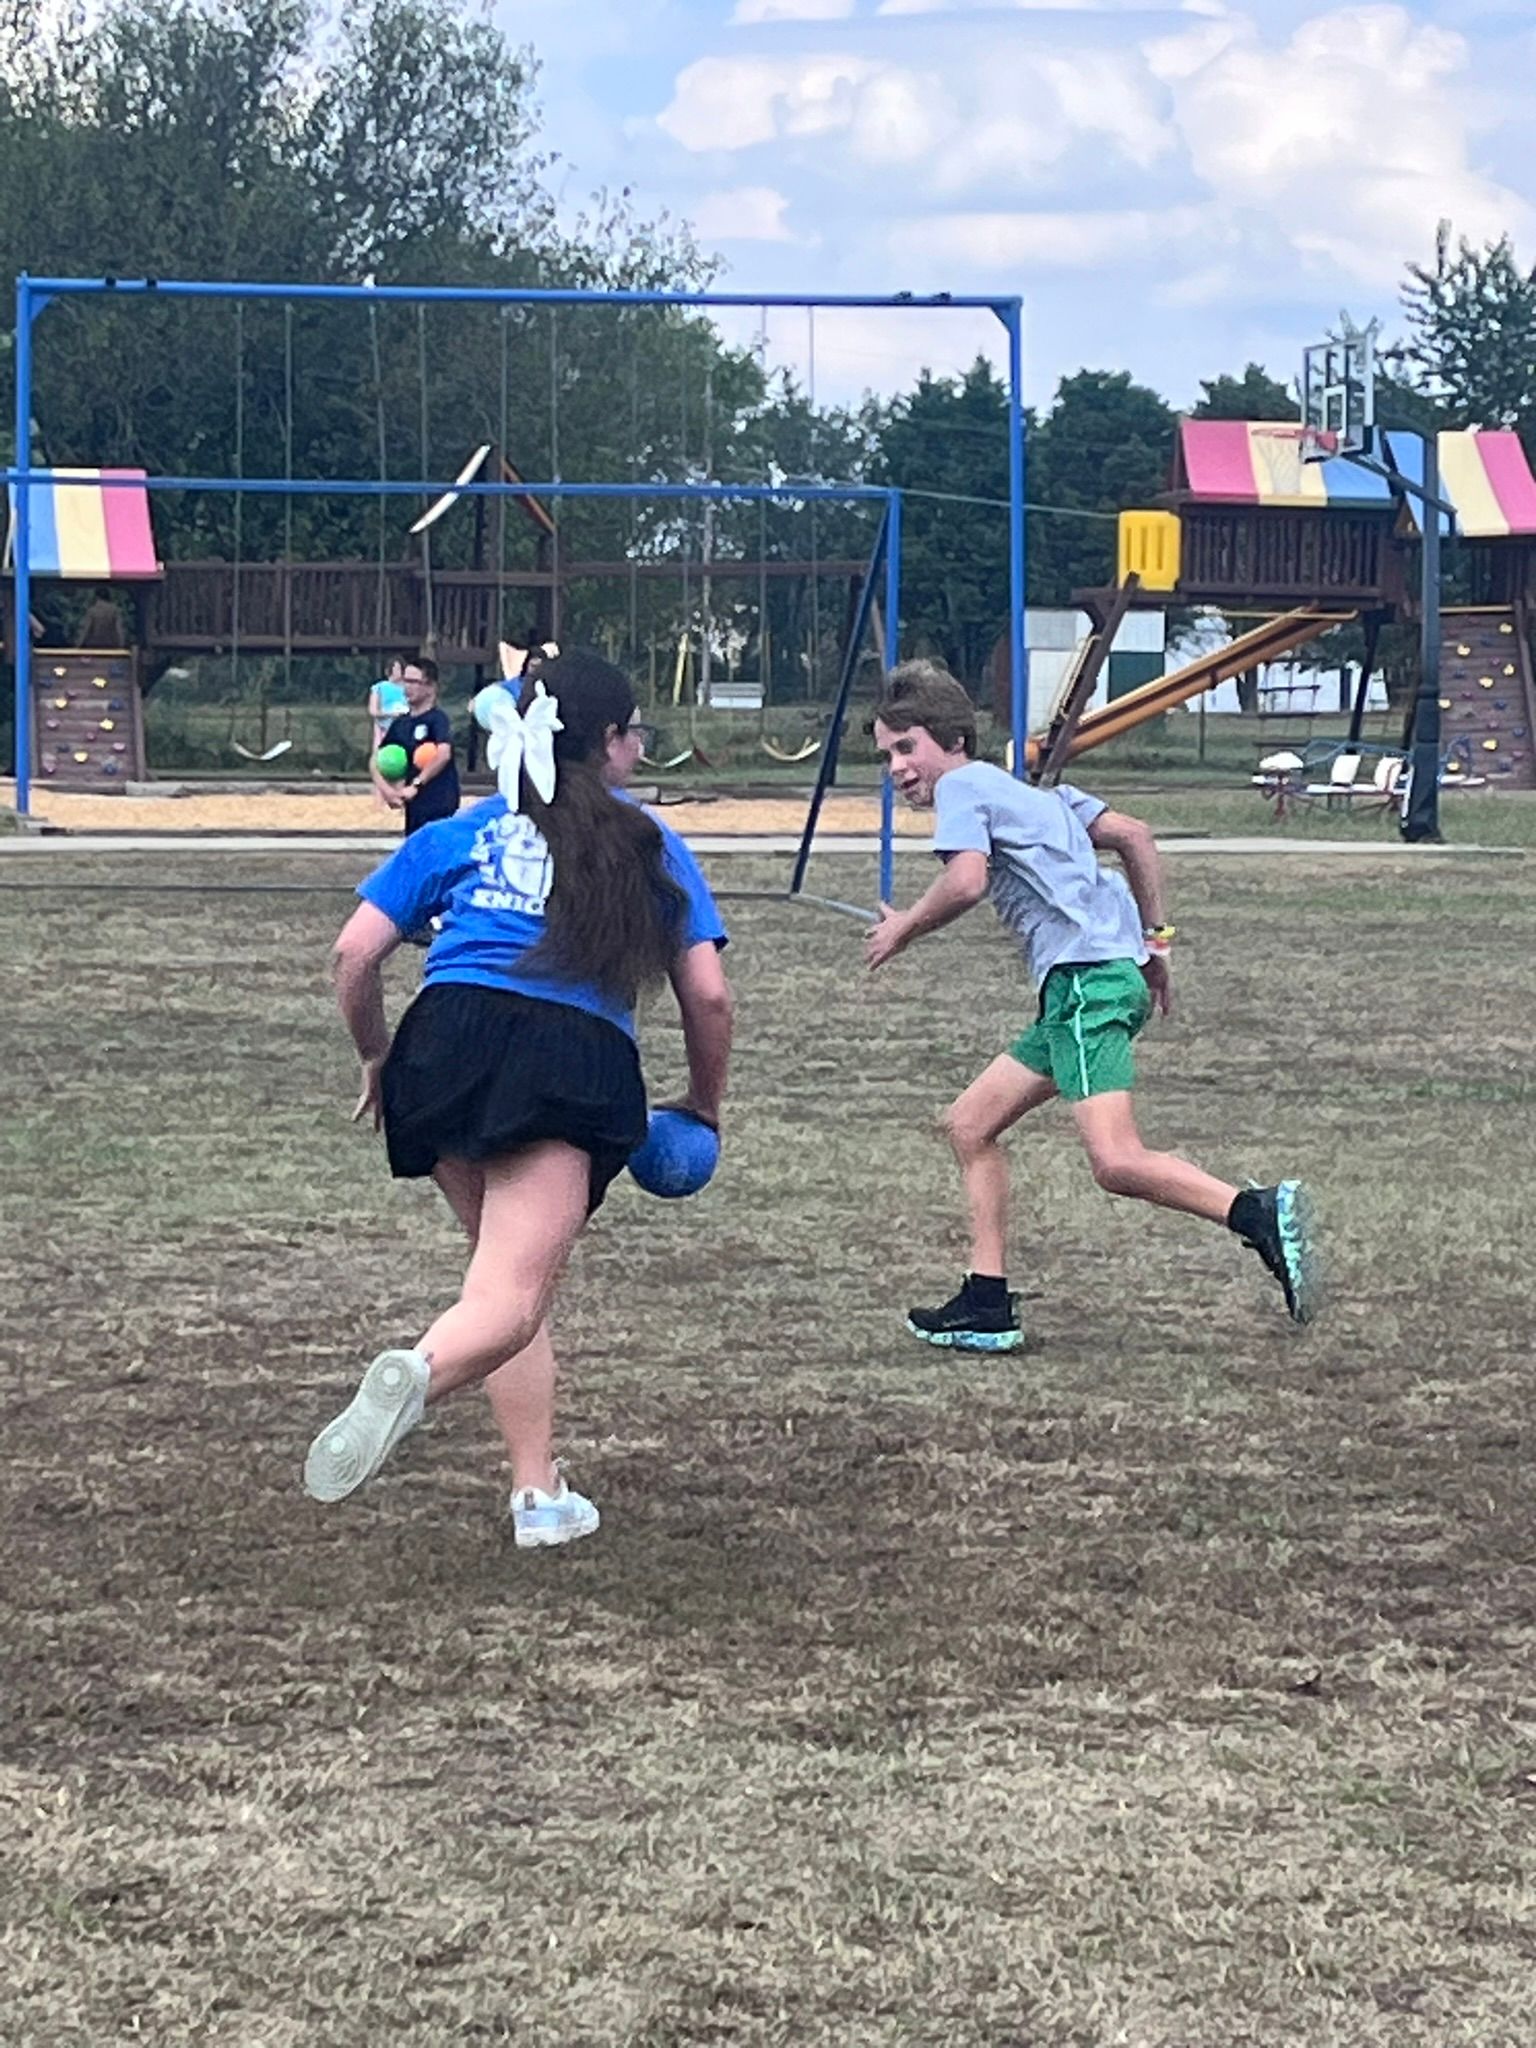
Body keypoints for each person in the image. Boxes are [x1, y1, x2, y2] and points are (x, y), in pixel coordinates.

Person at [306, 648, 734, 1543]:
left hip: (442, 1042)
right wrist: (703, 1101)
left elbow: (353, 955)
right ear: (611, 743)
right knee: (506, 1297)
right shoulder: (647, 839)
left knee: (501, 1284)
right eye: (635, 734)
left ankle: (537, 1495)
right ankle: (414, 1377)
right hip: (562, 1057)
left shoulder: (461, 831)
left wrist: (379, 1058)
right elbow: (709, 994)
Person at [864, 660, 1319, 1349]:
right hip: (1095, 983)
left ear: (952, 739)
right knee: (969, 1125)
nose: (897, 767)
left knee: (1115, 1161)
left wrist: (903, 927)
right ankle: (986, 1302)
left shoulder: (962, 788)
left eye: (906, 747)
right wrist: (1156, 946)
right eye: (886, 755)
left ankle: (1254, 1212)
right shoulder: (1043, 798)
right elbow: (1134, 835)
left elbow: (964, 882)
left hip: (1084, 985)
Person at [371, 656, 460, 834]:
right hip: (414, 809)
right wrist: (387, 790)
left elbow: (443, 754)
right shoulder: (400, 724)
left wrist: (416, 785)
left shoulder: (437, 719)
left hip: (440, 804)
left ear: (430, 687)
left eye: (414, 682)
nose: (407, 687)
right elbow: (376, 760)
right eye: (405, 681)